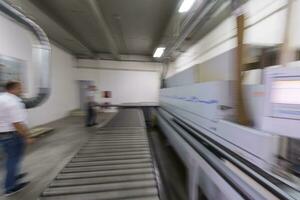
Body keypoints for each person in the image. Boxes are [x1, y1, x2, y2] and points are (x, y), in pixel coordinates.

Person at [0, 81, 33, 195]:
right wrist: (27, 136)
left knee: (11, 158)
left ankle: (13, 176)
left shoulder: (2, 98)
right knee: (13, 159)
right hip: (13, 134)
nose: (21, 90)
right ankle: (10, 187)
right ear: (13, 89)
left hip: (4, 134)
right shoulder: (12, 102)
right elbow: (17, 123)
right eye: (20, 88)